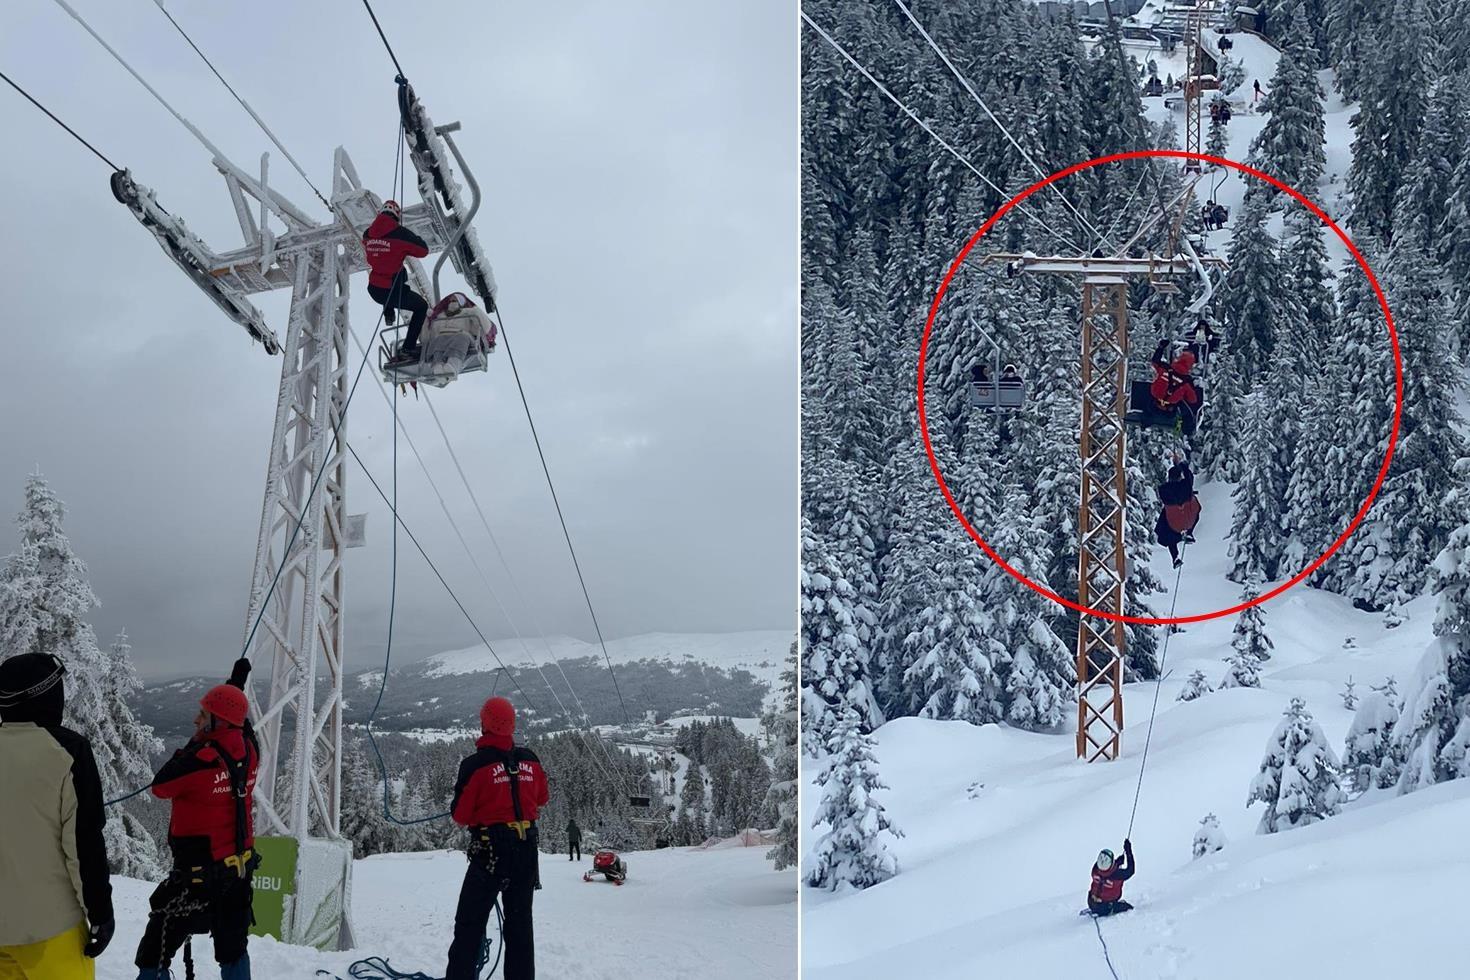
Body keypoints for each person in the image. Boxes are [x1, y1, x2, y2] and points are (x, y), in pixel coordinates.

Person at [134, 658, 259, 980]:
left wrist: (196, 741)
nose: (195, 720)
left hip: (196, 880)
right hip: (237, 874)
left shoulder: (199, 762)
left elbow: (160, 786)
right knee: (233, 951)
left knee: (154, 951)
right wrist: (236, 684)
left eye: (202, 716)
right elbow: (238, 722)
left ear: (215, 723)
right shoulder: (249, 749)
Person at [0, 653, 114, 980]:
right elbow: (83, 843)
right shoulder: (68, 751)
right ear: (47, 695)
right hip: (50, 930)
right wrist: (101, 913)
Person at [446, 697, 550, 980]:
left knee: (469, 926)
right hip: (526, 852)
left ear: (484, 724)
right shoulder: (530, 760)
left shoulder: (475, 766)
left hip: (489, 855)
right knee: (520, 928)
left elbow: (461, 814)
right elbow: (542, 797)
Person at [362, 199, 432, 365]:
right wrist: (411, 237)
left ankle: (389, 313)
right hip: (391, 290)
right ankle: (408, 349)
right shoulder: (400, 234)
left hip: (374, 289)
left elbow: (378, 249)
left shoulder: (368, 234)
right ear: (397, 216)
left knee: (397, 272)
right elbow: (423, 250)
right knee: (421, 307)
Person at [1156, 456, 1201, 568]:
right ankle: (1189, 533)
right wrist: (1180, 464)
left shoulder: (1163, 489)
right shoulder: (1186, 486)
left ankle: (1175, 556)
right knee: (1197, 508)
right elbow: (1189, 477)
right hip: (1189, 518)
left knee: (1165, 532)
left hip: (1174, 523)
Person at [1149, 339, 1201, 428]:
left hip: (1153, 400)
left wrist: (1160, 348)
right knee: (1183, 405)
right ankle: (1182, 427)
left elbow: (1155, 362)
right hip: (1170, 409)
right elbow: (1193, 400)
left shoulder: (1165, 368)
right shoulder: (1186, 382)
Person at [1088, 839, 1136, 916]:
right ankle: (1114, 908)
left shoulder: (1095, 869)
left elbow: (1105, 872)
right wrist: (1128, 851)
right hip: (1104, 908)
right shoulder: (1117, 875)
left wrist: (1117, 862)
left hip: (1091, 902)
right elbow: (1131, 870)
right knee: (1129, 908)